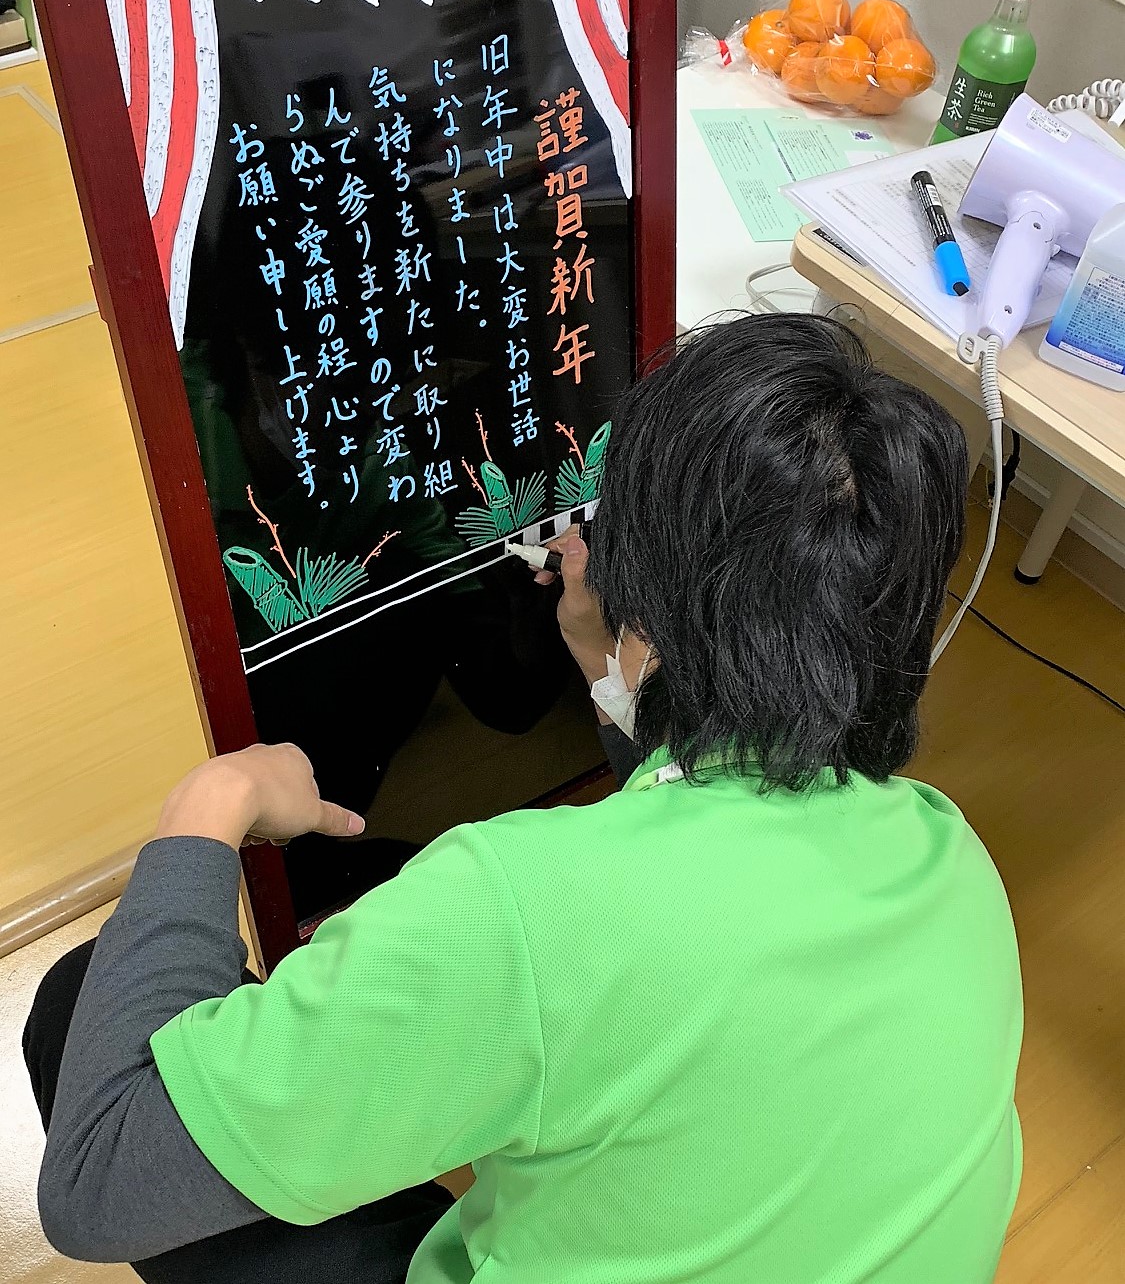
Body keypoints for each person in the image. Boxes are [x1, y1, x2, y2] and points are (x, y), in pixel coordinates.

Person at [24, 315, 1023, 1284]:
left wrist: (211, 804)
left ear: (641, 590)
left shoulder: (511, 903)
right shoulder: (949, 851)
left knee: (81, 1004)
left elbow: (99, 1182)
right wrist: (609, 659)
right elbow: (700, 849)